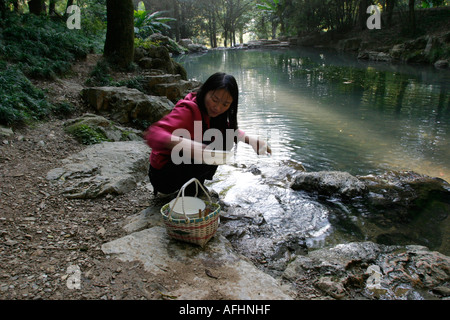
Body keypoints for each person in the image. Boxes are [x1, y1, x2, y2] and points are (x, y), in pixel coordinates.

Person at [145, 72, 271, 196]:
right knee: (208, 147)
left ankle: (195, 185)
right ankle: (190, 191)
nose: (217, 107)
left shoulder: (214, 114)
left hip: (180, 170)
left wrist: (252, 140)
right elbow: (153, 134)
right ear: (205, 91)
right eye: (214, 100)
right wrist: (187, 145)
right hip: (163, 177)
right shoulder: (187, 111)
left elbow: (229, 131)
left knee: (223, 141)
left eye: (225, 104)